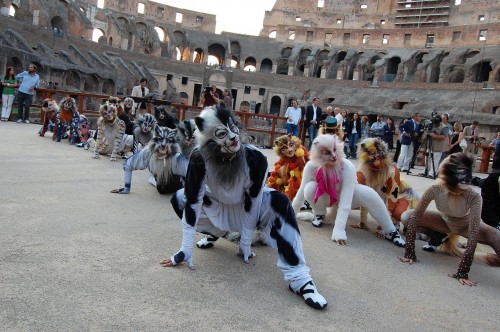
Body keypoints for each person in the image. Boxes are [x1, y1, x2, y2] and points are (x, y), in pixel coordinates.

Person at [164, 105, 328, 309]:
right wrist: (186, 248)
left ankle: (300, 279)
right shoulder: (200, 157)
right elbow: (193, 199)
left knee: (280, 202)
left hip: (249, 208)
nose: (233, 137)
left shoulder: (254, 158)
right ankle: (217, 232)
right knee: (180, 198)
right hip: (219, 205)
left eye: (233, 128)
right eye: (223, 133)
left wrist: (246, 241)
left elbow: (255, 201)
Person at [399, 153, 500, 286]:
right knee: (407, 217)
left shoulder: (473, 196)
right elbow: (415, 217)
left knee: (497, 236)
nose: (466, 181)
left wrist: (463, 270)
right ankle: (438, 237)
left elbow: (473, 233)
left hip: (466, 226)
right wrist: (409, 252)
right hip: (444, 223)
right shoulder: (435, 189)